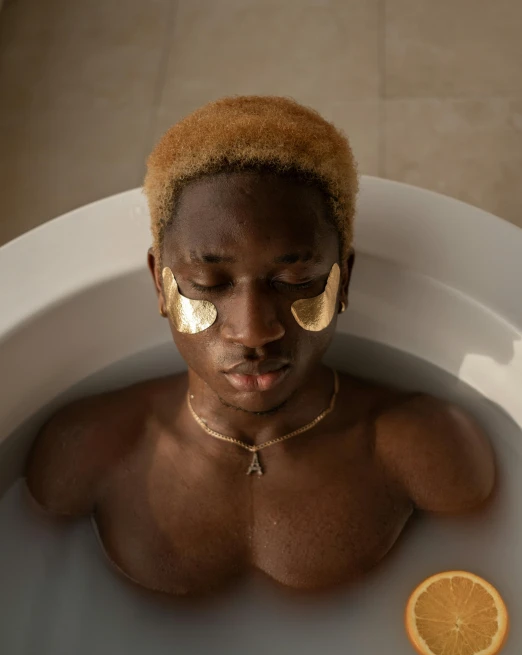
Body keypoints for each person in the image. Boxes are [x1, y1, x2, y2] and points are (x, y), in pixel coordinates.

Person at [25, 96, 495, 596]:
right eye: (207, 282)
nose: (252, 330)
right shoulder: (81, 454)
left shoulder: (431, 451)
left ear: (345, 280)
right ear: (160, 286)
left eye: (296, 278)